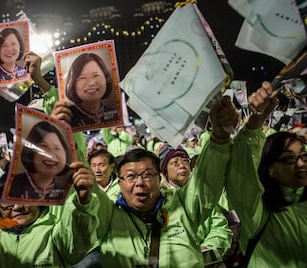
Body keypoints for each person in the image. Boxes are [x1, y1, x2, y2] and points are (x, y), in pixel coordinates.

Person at [66, 96, 239, 267]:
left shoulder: (181, 205)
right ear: (120, 183)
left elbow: (205, 183)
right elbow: (82, 171)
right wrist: (68, 128)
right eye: (131, 176)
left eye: (148, 175)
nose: (140, 182)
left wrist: (218, 137)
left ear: (159, 178)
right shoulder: (109, 215)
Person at [226, 81, 307, 267]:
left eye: (305, 156)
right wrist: (256, 120)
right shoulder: (258, 212)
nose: (302, 164)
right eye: (289, 159)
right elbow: (241, 172)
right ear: (269, 168)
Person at [158, 144, 233, 259]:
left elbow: (220, 227)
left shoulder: (203, 193)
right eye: (175, 162)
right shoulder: (159, 200)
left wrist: (208, 248)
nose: (182, 165)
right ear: (165, 171)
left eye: (185, 160)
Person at [8, 120, 72, 201]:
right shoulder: (11, 185)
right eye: (43, 146)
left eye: (57, 148)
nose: (51, 154)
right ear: (30, 150)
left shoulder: (66, 193)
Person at [65, 52, 118, 127]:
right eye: (82, 78)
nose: (91, 83)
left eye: (95, 75)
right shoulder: (67, 117)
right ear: (72, 83)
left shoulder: (115, 114)